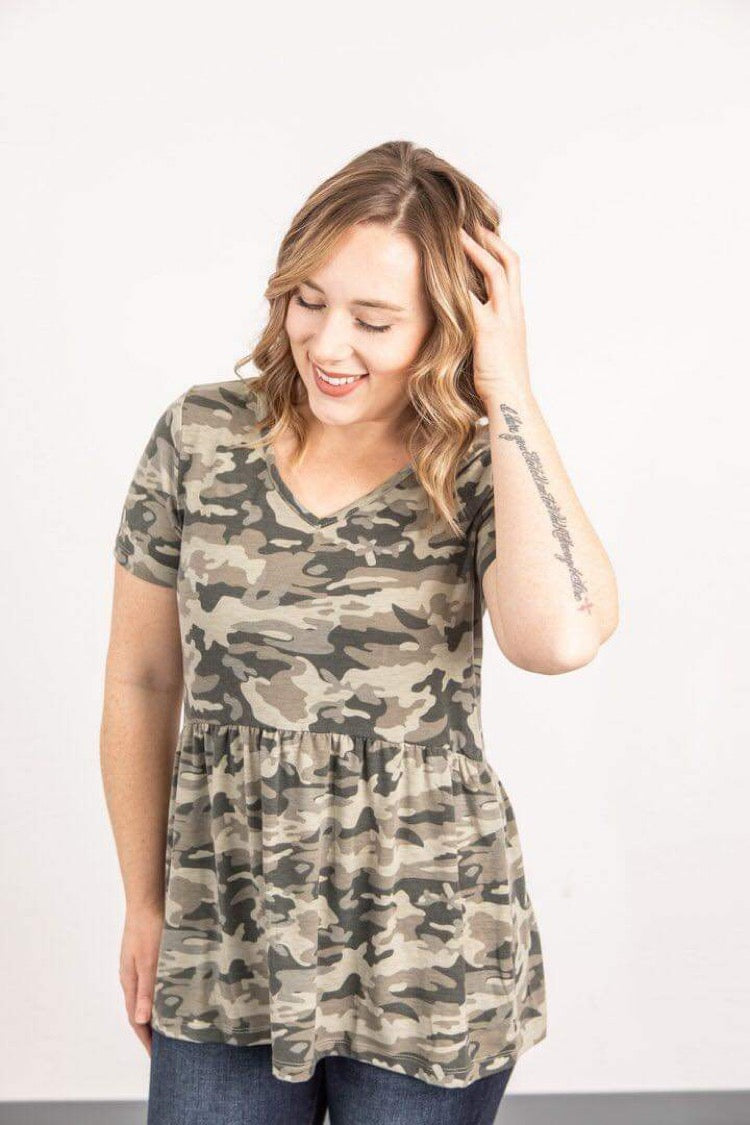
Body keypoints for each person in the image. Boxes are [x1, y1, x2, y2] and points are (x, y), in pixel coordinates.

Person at [101, 140, 619, 1124]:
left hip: (428, 950)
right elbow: (141, 682)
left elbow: (559, 638)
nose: (329, 344)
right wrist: (144, 902)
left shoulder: (477, 462)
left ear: (445, 325)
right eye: (310, 301)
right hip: (226, 933)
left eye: (375, 321)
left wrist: (508, 386)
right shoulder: (199, 437)